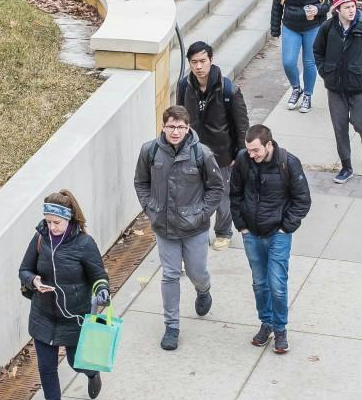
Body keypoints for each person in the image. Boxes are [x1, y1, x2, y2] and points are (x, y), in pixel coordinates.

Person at [17, 190, 111, 400]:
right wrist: (34, 280)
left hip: (74, 318)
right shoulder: (40, 239)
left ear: (69, 219)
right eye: (48, 222)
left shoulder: (84, 244)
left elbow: (99, 275)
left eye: (56, 222)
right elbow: (24, 269)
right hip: (43, 315)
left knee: (75, 362)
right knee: (47, 369)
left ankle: (92, 373)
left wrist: (102, 290)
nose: (52, 227)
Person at [133, 105, 224, 352]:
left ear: (188, 128)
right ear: (163, 126)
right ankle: (171, 326)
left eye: (181, 127)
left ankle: (203, 290)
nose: (175, 131)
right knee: (170, 275)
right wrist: (151, 208)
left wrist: (202, 214)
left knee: (197, 271)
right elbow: (141, 182)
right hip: (164, 227)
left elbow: (216, 189)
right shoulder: (149, 151)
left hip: (195, 227)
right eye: (171, 126)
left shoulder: (202, 154)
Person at [230, 124, 311, 354]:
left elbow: (302, 200)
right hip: (251, 234)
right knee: (260, 284)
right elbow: (234, 194)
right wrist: (242, 226)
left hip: (278, 234)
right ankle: (266, 323)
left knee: (277, 285)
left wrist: (286, 228)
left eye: (256, 150)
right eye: (248, 150)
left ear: (269, 144)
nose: (251, 154)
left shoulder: (289, 163)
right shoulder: (244, 160)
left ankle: (280, 329)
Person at [175, 41, 250, 251]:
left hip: (223, 153)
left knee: (223, 196)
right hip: (194, 152)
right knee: (193, 194)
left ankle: (224, 232)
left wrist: (240, 153)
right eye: (194, 62)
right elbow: (180, 118)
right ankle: (198, 232)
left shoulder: (228, 89)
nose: (198, 66)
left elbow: (242, 125)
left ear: (211, 60)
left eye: (202, 61)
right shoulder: (184, 86)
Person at [313, 0, 362, 185]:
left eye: (352, 5)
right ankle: (346, 166)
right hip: (335, 88)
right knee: (339, 127)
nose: (351, 10)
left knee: (360, 122)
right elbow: (317, 50)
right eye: (346, 7)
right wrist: (324, 71)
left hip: (359, 87)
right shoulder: (328, 28)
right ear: (337, 9)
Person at [270, 0, 334, 113]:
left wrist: (318, 9)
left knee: (309, 62)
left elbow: (329, 1)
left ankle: (307, 94)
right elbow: (277, 4)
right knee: (288, 61)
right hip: (291, 25)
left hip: (313, 26)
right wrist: (275, 29)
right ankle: (296, 88)